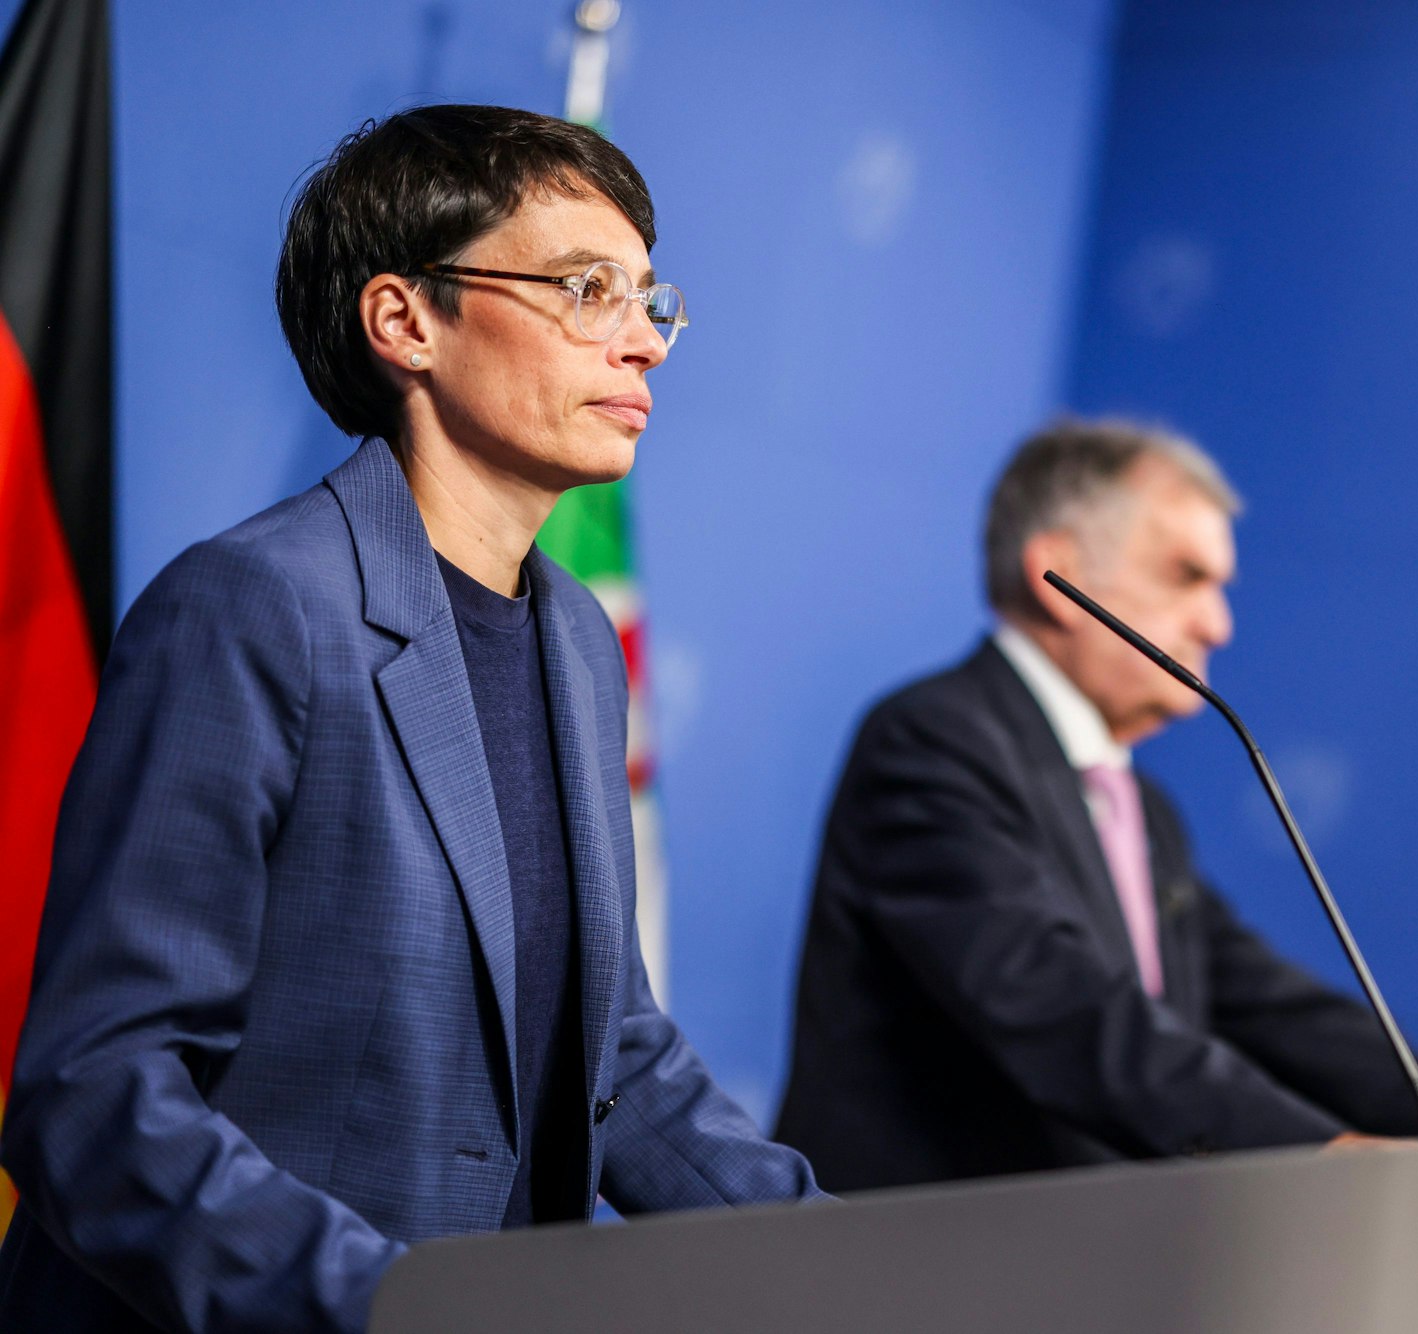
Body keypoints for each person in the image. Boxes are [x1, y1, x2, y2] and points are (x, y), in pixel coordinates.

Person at [0, 105, 823, 1334]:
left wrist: (845, 1253)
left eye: (649, 300)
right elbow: (97, 1090)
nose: (643, 343)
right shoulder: (255, 606)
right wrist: (402, 1304)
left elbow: (617, 1061)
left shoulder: (580, 643)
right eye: (587, 289)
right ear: (406, 321)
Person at [774, 417, 1418, 1194]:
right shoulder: (932, 743)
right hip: (902, 1267)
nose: (1218, 623)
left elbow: (1272, 1013)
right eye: (1186, 577)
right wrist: (1312, 1153)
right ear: (1061, 577)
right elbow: (1063, 1011)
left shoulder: (1142, 808)